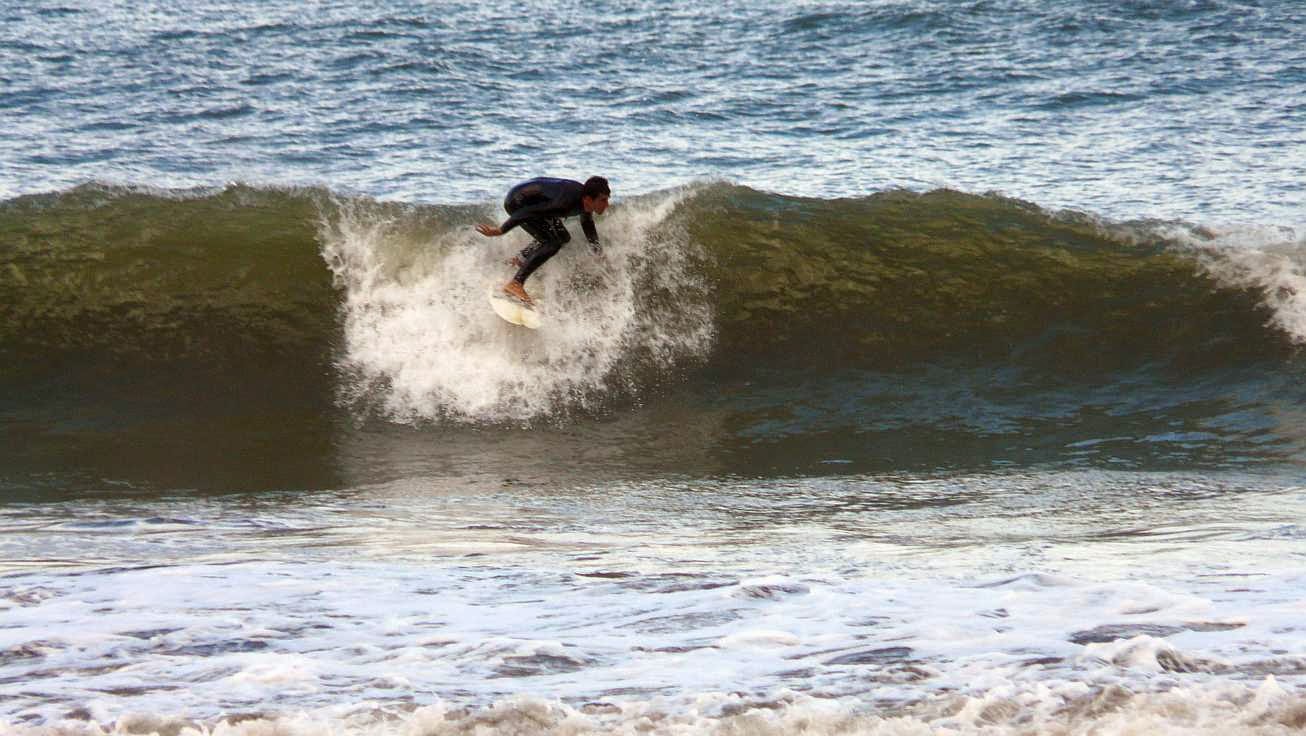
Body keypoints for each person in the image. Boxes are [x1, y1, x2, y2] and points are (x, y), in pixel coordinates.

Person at [475, 176, 611, 305]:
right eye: (603, 200)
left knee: (562, 237)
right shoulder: (564, 203)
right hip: (518, 203)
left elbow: (587, 222)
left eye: (607, 199)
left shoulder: (584, 201)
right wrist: (501, 230)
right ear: (588, 199)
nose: (607, 205)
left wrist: (597, 251)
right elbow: (528, 212)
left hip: (533, 201)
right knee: (553, 242)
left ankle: (518, 260)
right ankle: (516, 283)